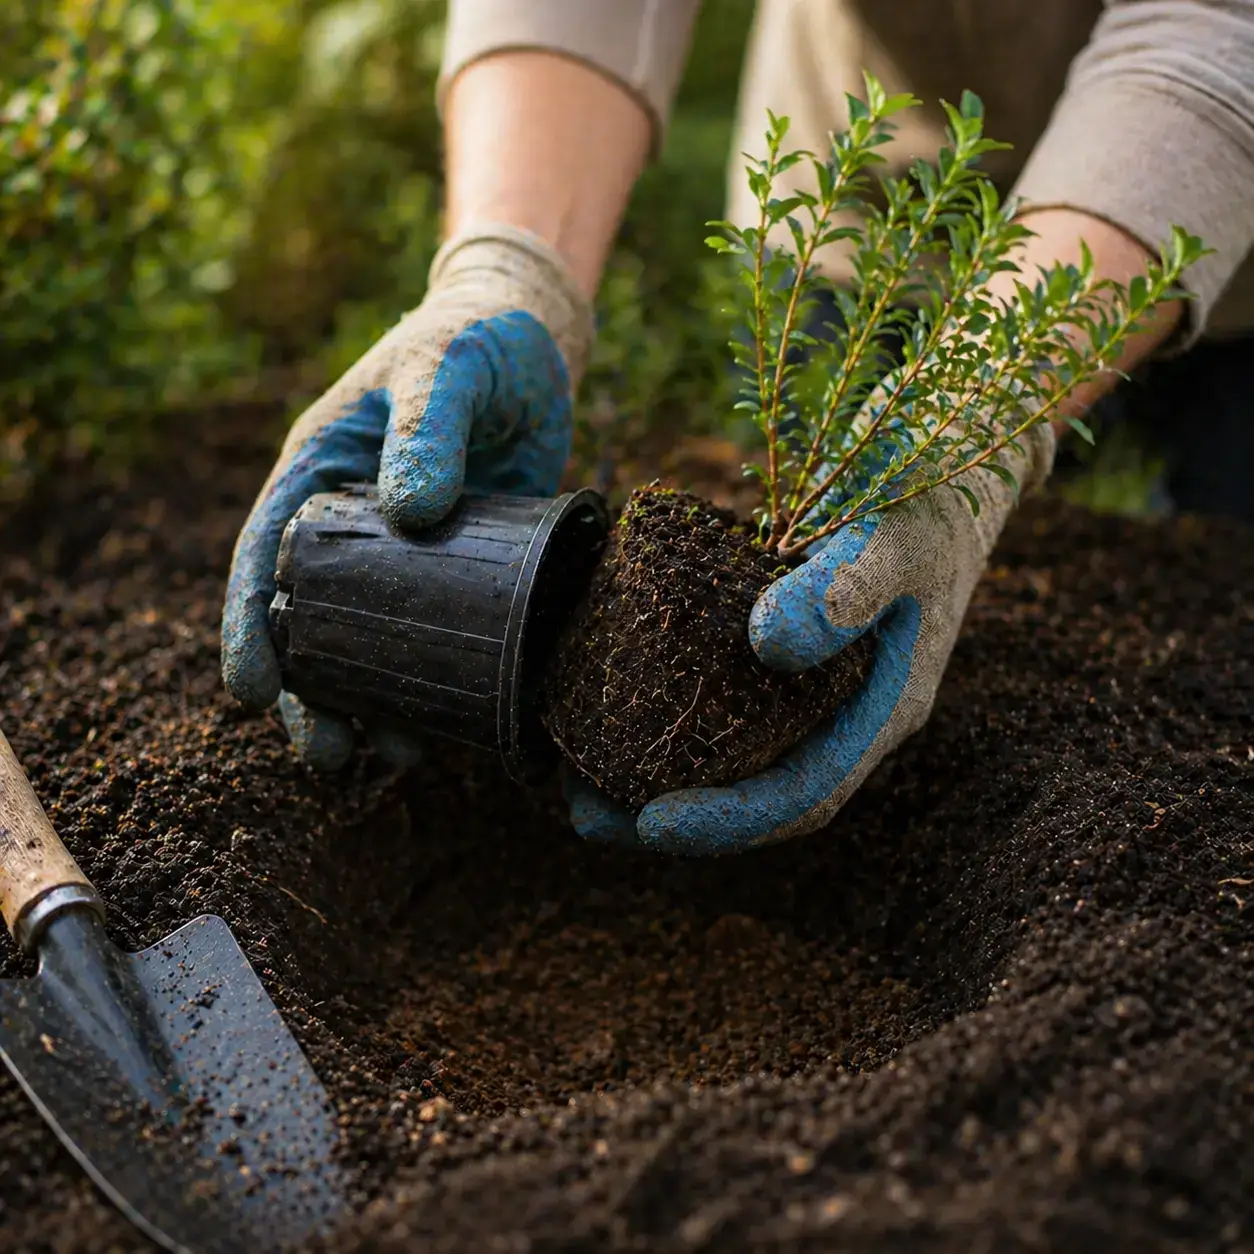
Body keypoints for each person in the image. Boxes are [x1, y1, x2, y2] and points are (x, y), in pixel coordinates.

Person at [220, 0, 1254, 856]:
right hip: (869, 178)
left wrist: (974, 419)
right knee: (838, 562)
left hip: (1223, 201)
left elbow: (1213, 36)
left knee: (1206, 619)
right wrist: (509, 264)